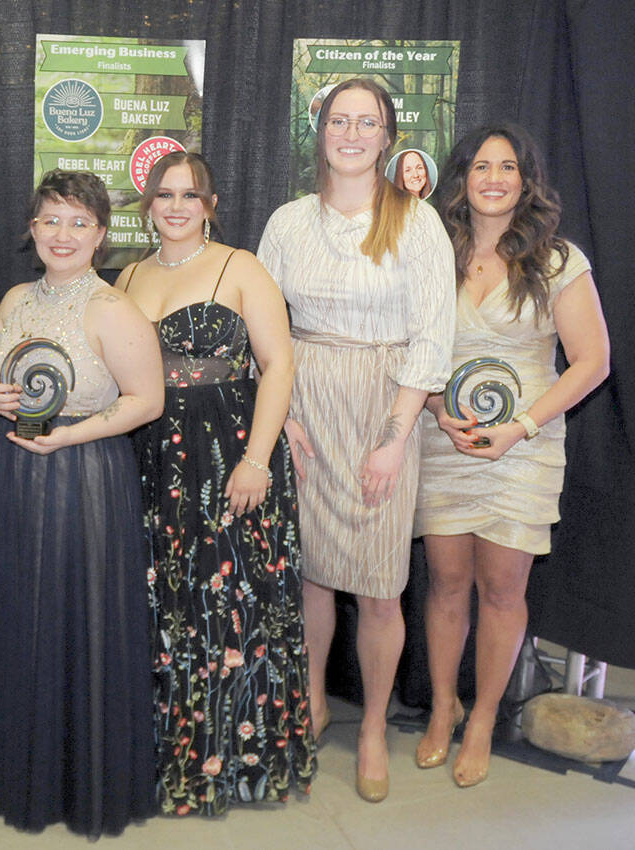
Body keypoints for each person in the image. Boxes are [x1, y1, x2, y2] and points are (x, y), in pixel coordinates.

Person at [257, 78, 455, 803]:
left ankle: (372, 725)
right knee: (309, 573)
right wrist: (283, 416)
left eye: (365, 121)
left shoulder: (418, 223)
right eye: (339, 119)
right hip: (303, 401)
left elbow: (434, 336)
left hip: (384, 409)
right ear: (321, 131)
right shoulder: (287, 222)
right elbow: (261, 323)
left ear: (387, 135)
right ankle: (310, 698)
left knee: (378, 587)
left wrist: (396, 438)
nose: (351, 132)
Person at [0, 170, 163, 837]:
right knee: (17, 615)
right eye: (51, 219)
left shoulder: (112, 308)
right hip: (11, 478)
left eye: (79, 222)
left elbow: (147, 401)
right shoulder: (17, 296)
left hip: (82, 480)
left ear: (102, 234)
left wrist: (72, 433)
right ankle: (14, 766)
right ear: (32, 229)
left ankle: (76, 782)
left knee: (77, 623)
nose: (63, 234)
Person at [119, 151, 315, 815]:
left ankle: (235, 765)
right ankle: (167, 755)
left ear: (210, 203)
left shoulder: (241, 267)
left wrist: (258, 457)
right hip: (152, 459)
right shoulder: (129, 275)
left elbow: (279, 363)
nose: (176, 205)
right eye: (164, 194)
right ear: (148, 203)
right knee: (166, 604)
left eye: (190, 194)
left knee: (234, 605)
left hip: (230, 456)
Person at [414, 124, 609, 787]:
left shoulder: (557, 262)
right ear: (461, 179)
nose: (493, 178)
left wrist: (521, 426)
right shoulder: (431, 253)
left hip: (522, 449)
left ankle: (483, 719)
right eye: (480, 166)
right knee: (444, 584)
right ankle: (444, 707)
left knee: (501, 591)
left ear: (526, 181)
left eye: (507, 167)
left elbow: (592, 362)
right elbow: (408, 349)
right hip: (444, 441)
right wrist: (437, 411)